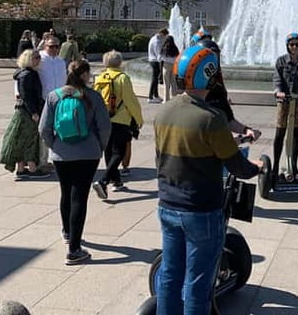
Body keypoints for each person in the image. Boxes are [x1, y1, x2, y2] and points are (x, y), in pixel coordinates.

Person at [154, 45, 262, 315]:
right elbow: (236, 165)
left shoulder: (164, 112)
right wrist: (257, 168)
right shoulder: (211, 119)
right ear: (209, 77)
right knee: (198, 282)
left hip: (167, 204)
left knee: (170, 274)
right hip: (201, 209)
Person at [38, 60, 111, 265]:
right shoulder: (93, 97)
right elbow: (105, 127)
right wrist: (99, 146)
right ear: (85, 75)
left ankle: (67, 232)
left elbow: (43, 128)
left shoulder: (54, 96)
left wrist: (54, 145)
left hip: (61, 154)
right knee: (80, 197)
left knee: (66, 192)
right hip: (88, 153)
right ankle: (74, 249)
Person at [92, 51, 143, 199]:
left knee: (109, 151)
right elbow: (130, 101)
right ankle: (103, 181)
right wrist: (138, 118)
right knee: (119, 151)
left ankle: (117, 181)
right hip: (120, 119)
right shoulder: (122, 78)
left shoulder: (100, 77)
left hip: (103, 119)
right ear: (120, 63)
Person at [197, 38, 260, 140]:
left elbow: (229, 120)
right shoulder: (191, 92)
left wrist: (246, 130)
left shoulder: (218, 88)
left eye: (215, 59)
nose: (213, 65)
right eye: (209, 61)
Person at [272, 32, 298, 182]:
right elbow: (277, 78)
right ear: (287, 46)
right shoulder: (281, 61)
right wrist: (278, 91)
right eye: (291, 44)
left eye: (297, 44)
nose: (294, 47)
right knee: (280, 134)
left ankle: (294, 166)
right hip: (284, 103)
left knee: (297, 134)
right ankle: (275, 166)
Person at [0, 49, 48, 179]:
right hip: (27, 111)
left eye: (39, 57)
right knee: (29, 138)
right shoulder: (27, 74)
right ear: (28, 59)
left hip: (24, 110)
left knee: (21, 138)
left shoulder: (25, 73)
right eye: (35, 58)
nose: (38, 60)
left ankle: (21, 169)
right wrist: (34, 112)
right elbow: (26, 96)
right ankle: (32, 168)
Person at [37, 36, 67, 171]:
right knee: (44, 130)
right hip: (44, 100)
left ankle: (57, 158)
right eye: (51, 46)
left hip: (60, 99)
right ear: (45, 46)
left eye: (56, 46)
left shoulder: (61, 61)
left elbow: (64, 79)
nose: (54, 49)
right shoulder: (40, 59)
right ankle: (42, 161)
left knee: (60, 129)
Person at [147, 28, 168, 104]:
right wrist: (166, 59)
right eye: (165, 36)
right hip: (154, 61)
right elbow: (159, 55)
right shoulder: (157, 41)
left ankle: (156, 95)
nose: (165, 37)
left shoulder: (155, 38)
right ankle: (150, 97)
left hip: (153, 60)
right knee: (154, 79)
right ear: (162, 34)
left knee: (155, 79)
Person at [160, 34, 180, 103]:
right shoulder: (175, 48)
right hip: (174, 66)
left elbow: (160, 58)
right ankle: (174, 97)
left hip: (166, 66)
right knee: (173, 82)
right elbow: (178, 58)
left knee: (166, 83)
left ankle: (166, 99)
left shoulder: (164, 48)